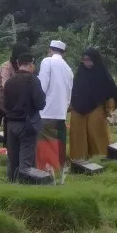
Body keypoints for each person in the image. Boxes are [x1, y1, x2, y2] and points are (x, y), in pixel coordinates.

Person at [69, 48, 117, 161]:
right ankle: (78, 160)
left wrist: (110, 110)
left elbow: (111, 93)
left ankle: (101, 158)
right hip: (78, 110)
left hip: (96, 109)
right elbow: (73, 92)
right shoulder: (80, 74)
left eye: (89, 60)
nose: (87, 62)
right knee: (79, 136)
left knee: (98, 134)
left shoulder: (102, 75)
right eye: (84, 60)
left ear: (95, 60)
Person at [3, 53, 46, 182]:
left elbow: (5, 103)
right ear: (31, 64)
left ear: (18, 64)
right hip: (27, 123)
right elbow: (40, 103)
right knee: (26, 161)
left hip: (11, 124)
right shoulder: (33, 80)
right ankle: (24, 186)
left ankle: (11, 183)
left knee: (13, 159)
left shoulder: (10, 81)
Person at [36, 40, 74, 172]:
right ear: (63, 53)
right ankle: (58, 169)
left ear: (50, 50)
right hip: (61, 114)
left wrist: (36, 104)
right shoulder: (68, 69)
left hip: (46, 111)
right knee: (58, 143)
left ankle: (45, 171)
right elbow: (69, 92)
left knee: (44, 143)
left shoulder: (48, 62)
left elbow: (42, 86)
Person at [0, 43, 30, 147]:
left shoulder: (22, 67)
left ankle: (8, 152)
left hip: (11, 103)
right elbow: (6, 86)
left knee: (9, 129)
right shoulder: (6, 67)